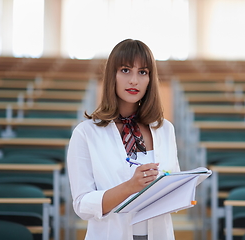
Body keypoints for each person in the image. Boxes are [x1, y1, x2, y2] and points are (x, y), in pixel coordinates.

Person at [67, 39, 180, 240]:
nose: (134, 80)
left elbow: (173, 188)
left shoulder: (165, 129)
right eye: (126, 70)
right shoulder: (86, 133)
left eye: (142, 72)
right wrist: (130, 187)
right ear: (112, 75)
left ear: (150, 79)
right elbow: (82, 204)